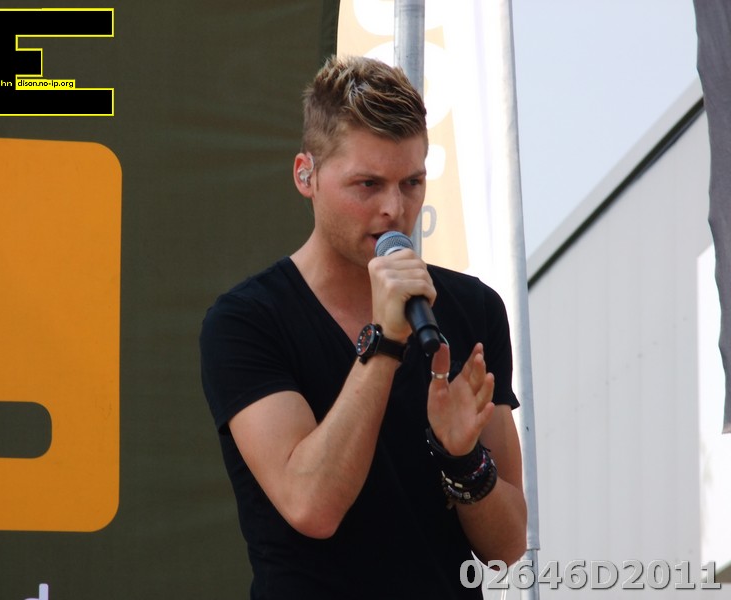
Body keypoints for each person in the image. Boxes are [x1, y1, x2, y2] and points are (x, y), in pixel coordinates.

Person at [200, 55, 527, 599]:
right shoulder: (246, 321)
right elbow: (312, 505)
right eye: (367, 184)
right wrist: (387, 339)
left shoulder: (473, 308)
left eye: (412, 182)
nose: (394, 208)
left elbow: (508, 547)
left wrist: (462, 458)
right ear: (305, 174)